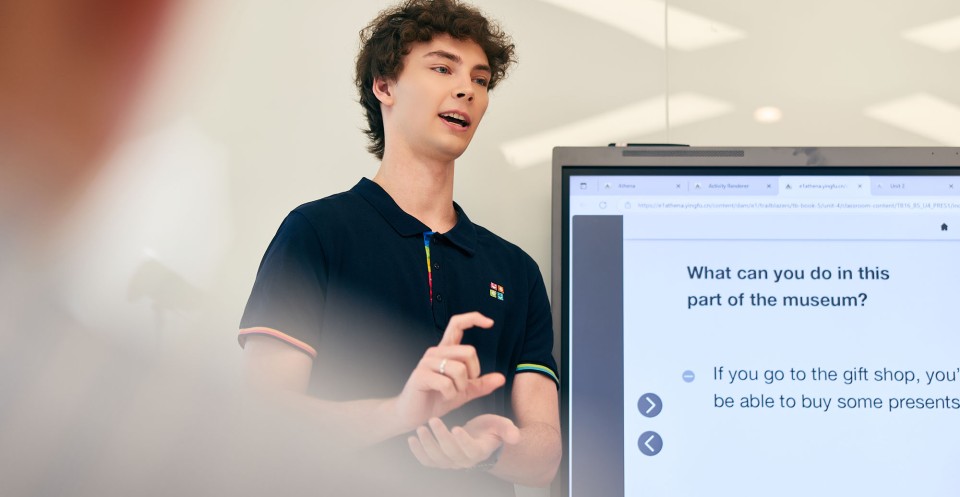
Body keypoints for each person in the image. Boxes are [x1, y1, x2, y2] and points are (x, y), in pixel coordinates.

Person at [238, 0, 561, 494]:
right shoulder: (316, 232)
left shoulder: (515, 270)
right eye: (442, 68)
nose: (467, 89)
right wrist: (399, 413)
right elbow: (261, 422)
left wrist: (490, 450)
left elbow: (544, 459)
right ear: (384, 86)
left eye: (480, 79)